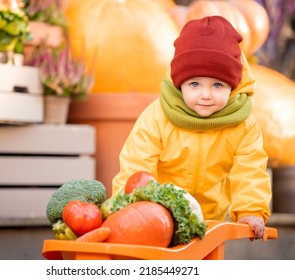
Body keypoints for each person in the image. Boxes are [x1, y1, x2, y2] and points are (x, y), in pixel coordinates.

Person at [111, 15, 272, 239]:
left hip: (210, 221)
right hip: (157, 215)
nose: (205, 95)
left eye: (217, 85)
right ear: (180, 84)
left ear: (232, 87)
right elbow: (136, 165)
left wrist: (250, 210)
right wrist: (131, 207)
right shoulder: (158, 116)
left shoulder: (242, 124)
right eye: (194, 84)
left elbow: (250, 170)